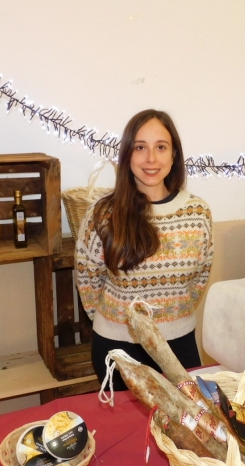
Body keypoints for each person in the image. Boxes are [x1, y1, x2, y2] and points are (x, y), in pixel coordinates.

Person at [75, 109, 214, 390]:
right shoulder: (102, 214)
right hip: (118, 348)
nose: (151, 158)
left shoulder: (198, 212)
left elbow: (200, 277)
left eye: (161, 147)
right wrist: (120, 323)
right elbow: (87, 280)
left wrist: (170, 318)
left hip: (179, 344)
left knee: (185, 428)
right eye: (140, 148)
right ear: (127, 155)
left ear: (174, 155)